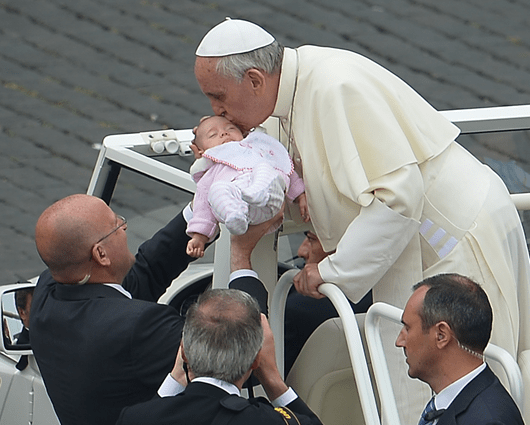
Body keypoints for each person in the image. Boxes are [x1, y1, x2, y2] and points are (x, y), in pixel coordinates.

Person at [194, 18, 530, 422]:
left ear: (254, 80)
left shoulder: (336, 87)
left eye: (218, 97)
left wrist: (331, 271)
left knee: (470, 385)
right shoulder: (284, 95)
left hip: (451, 240)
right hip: (422, 240)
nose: (216, 112)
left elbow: (398, 198)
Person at [30, 193, 277, 425]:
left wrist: (201, 211)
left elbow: (139, 278)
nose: (124, 227)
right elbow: (241, 357)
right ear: (101, 254)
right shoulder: (140, 328)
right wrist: (242, 257)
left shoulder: (47, 291)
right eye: (116, 225)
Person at [116, 288, 323, 425]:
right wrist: (273, 380)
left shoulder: (135, 418)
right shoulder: (264, 421)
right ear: (256, 360)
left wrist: (175, 379)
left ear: (184, 353)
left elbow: (152, 414)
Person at [396, 273, 524, 424]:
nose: (399, 341)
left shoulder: (488, 420)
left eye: (407, 328)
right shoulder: (458, 404)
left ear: (441, 335)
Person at [187, 115, 308, 258]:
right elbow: (202, 205)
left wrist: (300, 194)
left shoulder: (258, 150)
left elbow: (285, 169)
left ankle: (256, 192)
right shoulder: (213, 171)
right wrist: (199, 236)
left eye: (230, 128)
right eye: (213, 135)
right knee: (216, 190)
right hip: (246, 213)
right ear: (201, 151)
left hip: (269, 201)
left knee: (266, 168)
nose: (224, 133)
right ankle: (234, 214)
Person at [284, 230, 372, 375]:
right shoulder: (383, 297)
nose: (301, 251)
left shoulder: (296, 311)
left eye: (311, 239)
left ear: (343, 247)